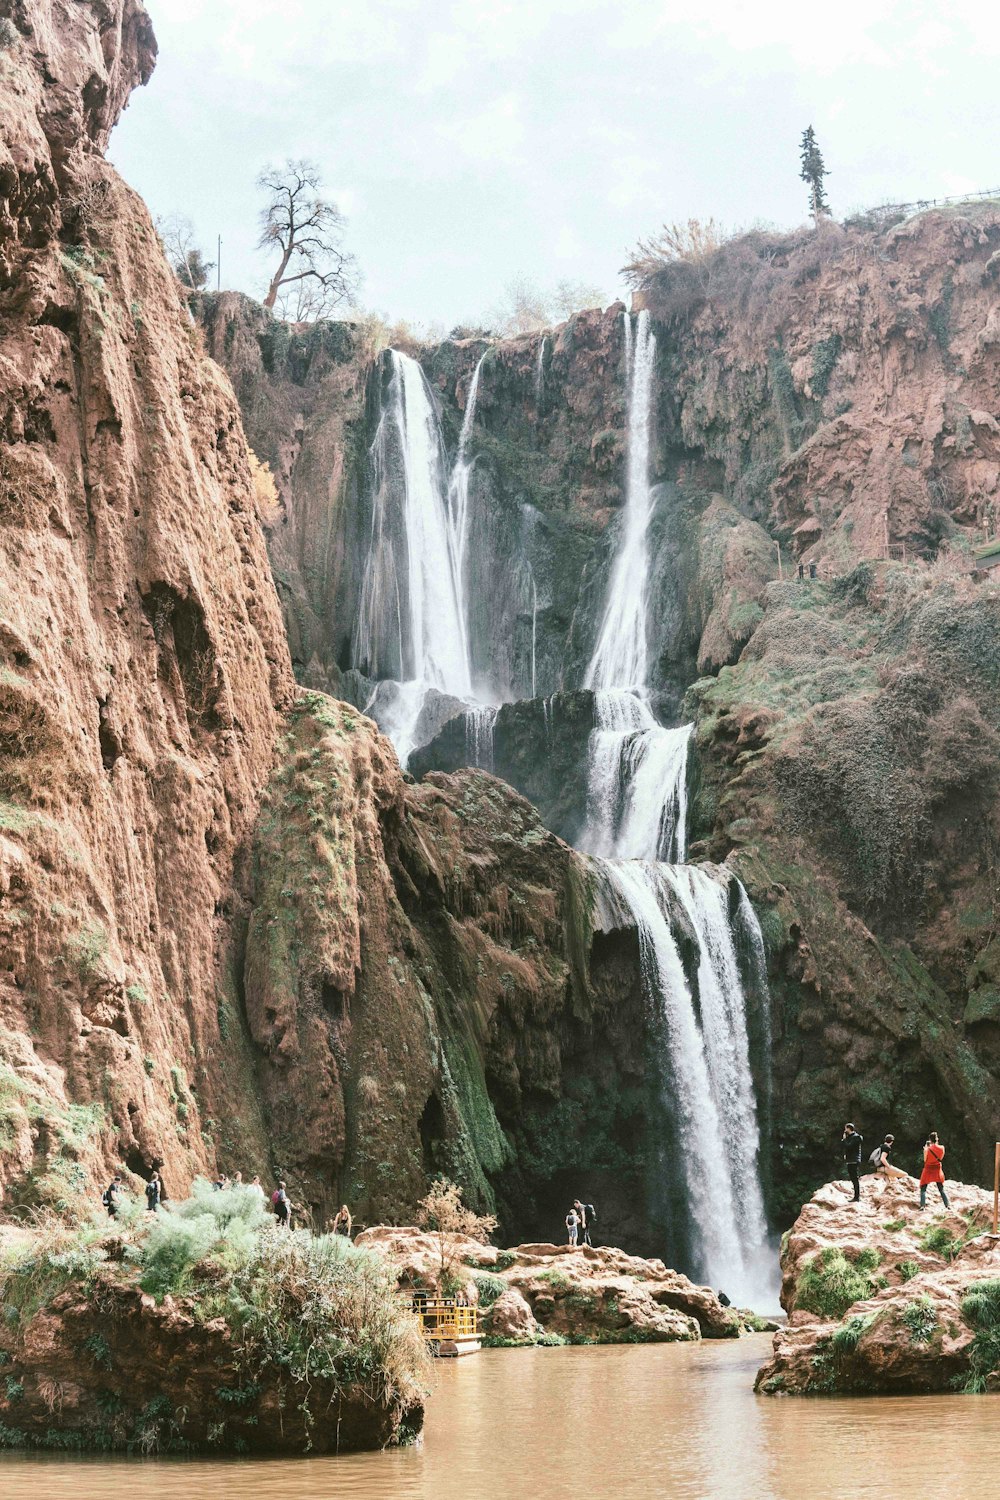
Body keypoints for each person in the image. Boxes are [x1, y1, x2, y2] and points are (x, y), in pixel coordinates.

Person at [919, 1132, 950, 1210]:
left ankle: (922, 1206)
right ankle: (947, 1205)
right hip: (937, 1168)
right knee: (941, 1189)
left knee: (923, 1188)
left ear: (930, 1140)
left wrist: (925, 1150)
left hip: (928, 1168)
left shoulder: (927, 1149)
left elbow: (925, 1160)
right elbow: (940, 1159)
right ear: (937, 1139)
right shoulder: (942, 1148)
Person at [842, 1122, 863, 1201]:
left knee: (854, 1178)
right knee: (853, 1178)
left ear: (848, 1128)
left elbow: (849, 1146)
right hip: (850, 1160)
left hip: (854, 1160)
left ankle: (857, 1197)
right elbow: (846, 1147)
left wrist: (844, 1139)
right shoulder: (850, 1137)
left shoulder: (856, 1137)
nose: (845, 1130)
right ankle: (856, 1196)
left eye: (846, 1128)